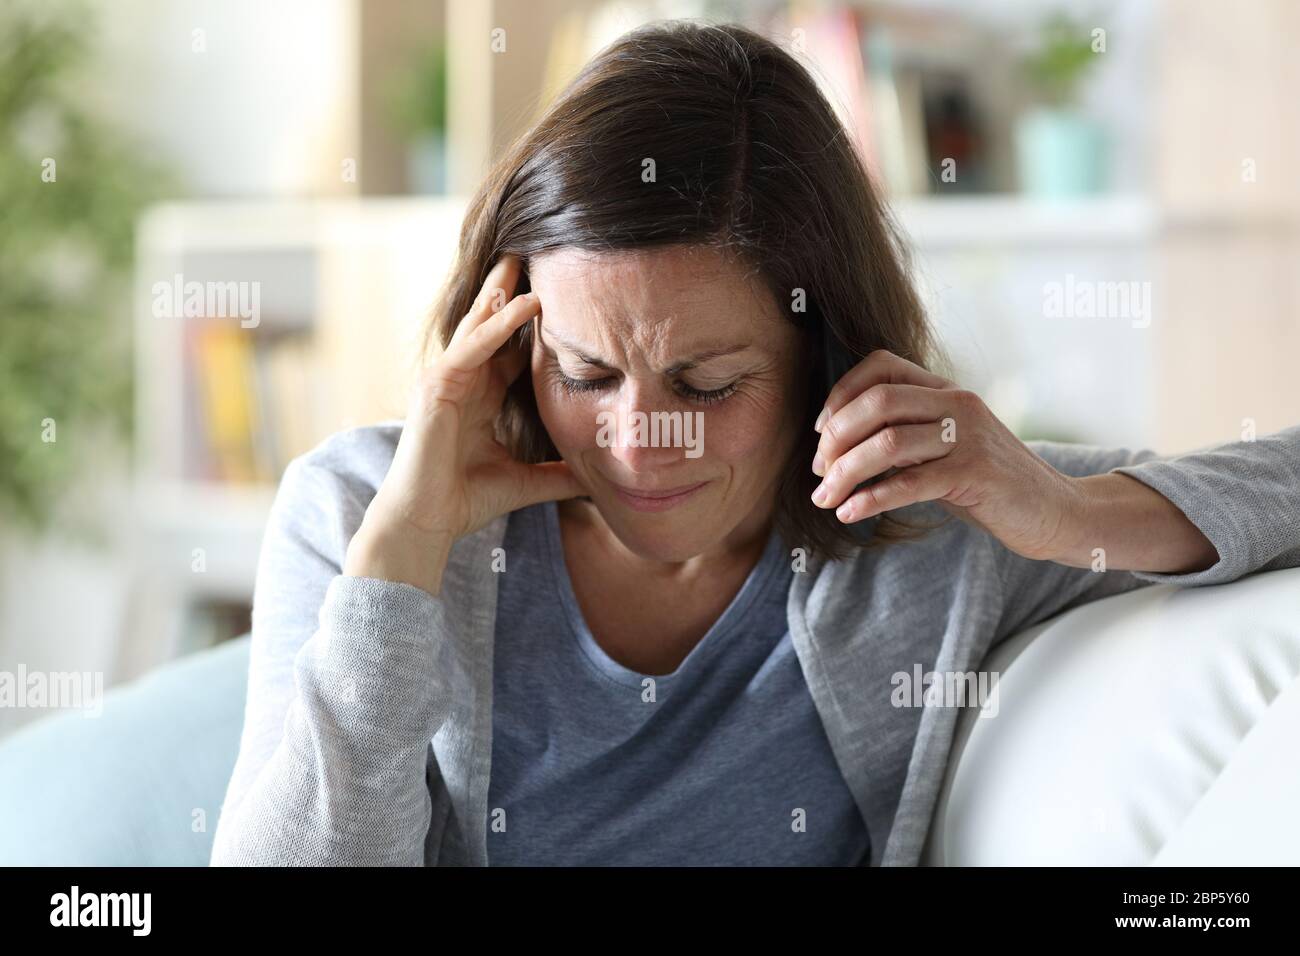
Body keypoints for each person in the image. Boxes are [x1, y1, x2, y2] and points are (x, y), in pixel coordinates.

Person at [211, 21, 1300, 866]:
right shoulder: (366, 513)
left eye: (708, 382)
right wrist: (401, 559)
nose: (637, 438)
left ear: (818, 356)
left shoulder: (915, 518)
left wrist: (1069, 510)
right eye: (584, 374)